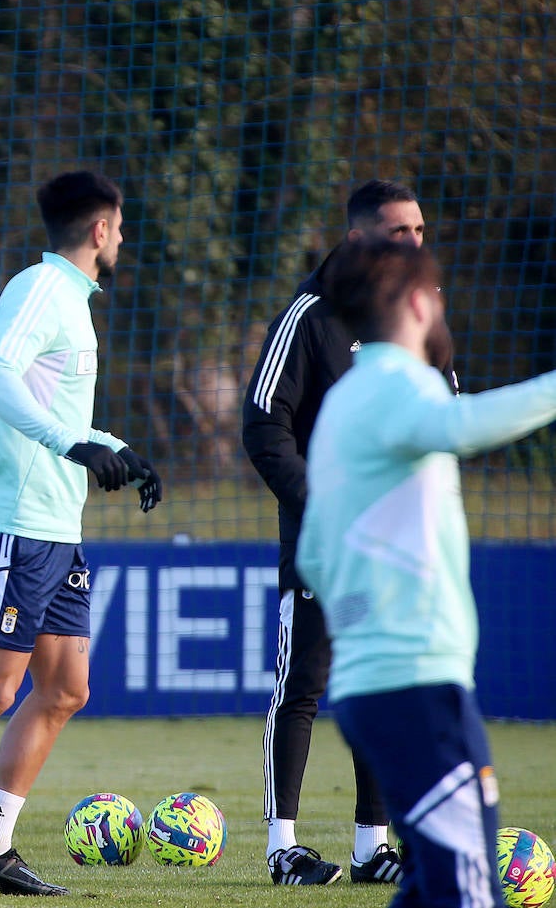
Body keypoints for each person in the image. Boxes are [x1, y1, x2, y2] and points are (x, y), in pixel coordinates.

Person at [0, 170, 162, 896]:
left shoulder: (73, 301)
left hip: (56, 527)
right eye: (120, 223)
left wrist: (116, 448)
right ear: (100, 228)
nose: (122, 236)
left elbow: (59, 413)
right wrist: (75, 447)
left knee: (67, 686)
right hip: (12, 524)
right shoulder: (39, 289)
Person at [299, 236, 556, 908]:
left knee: (429, 888)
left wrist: (364, 625)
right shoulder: (397, 385)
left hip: (378, 685)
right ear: (418, 302)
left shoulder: (345, 404)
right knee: (468, 891)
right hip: (412, 684)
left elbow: (315, 556)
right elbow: (462, 425)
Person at [241, 179, 443, 885]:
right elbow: (263, 422)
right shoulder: (308, 314)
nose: (415, 243)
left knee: (378, 686)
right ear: (359, 237)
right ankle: (281, 847)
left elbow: (441, 411)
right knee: (303, 683)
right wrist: (323, 506)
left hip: (396, 547)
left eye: (420, 230)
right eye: (400, 232)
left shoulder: (417, 312)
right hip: (324, 548)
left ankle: (370, 849)